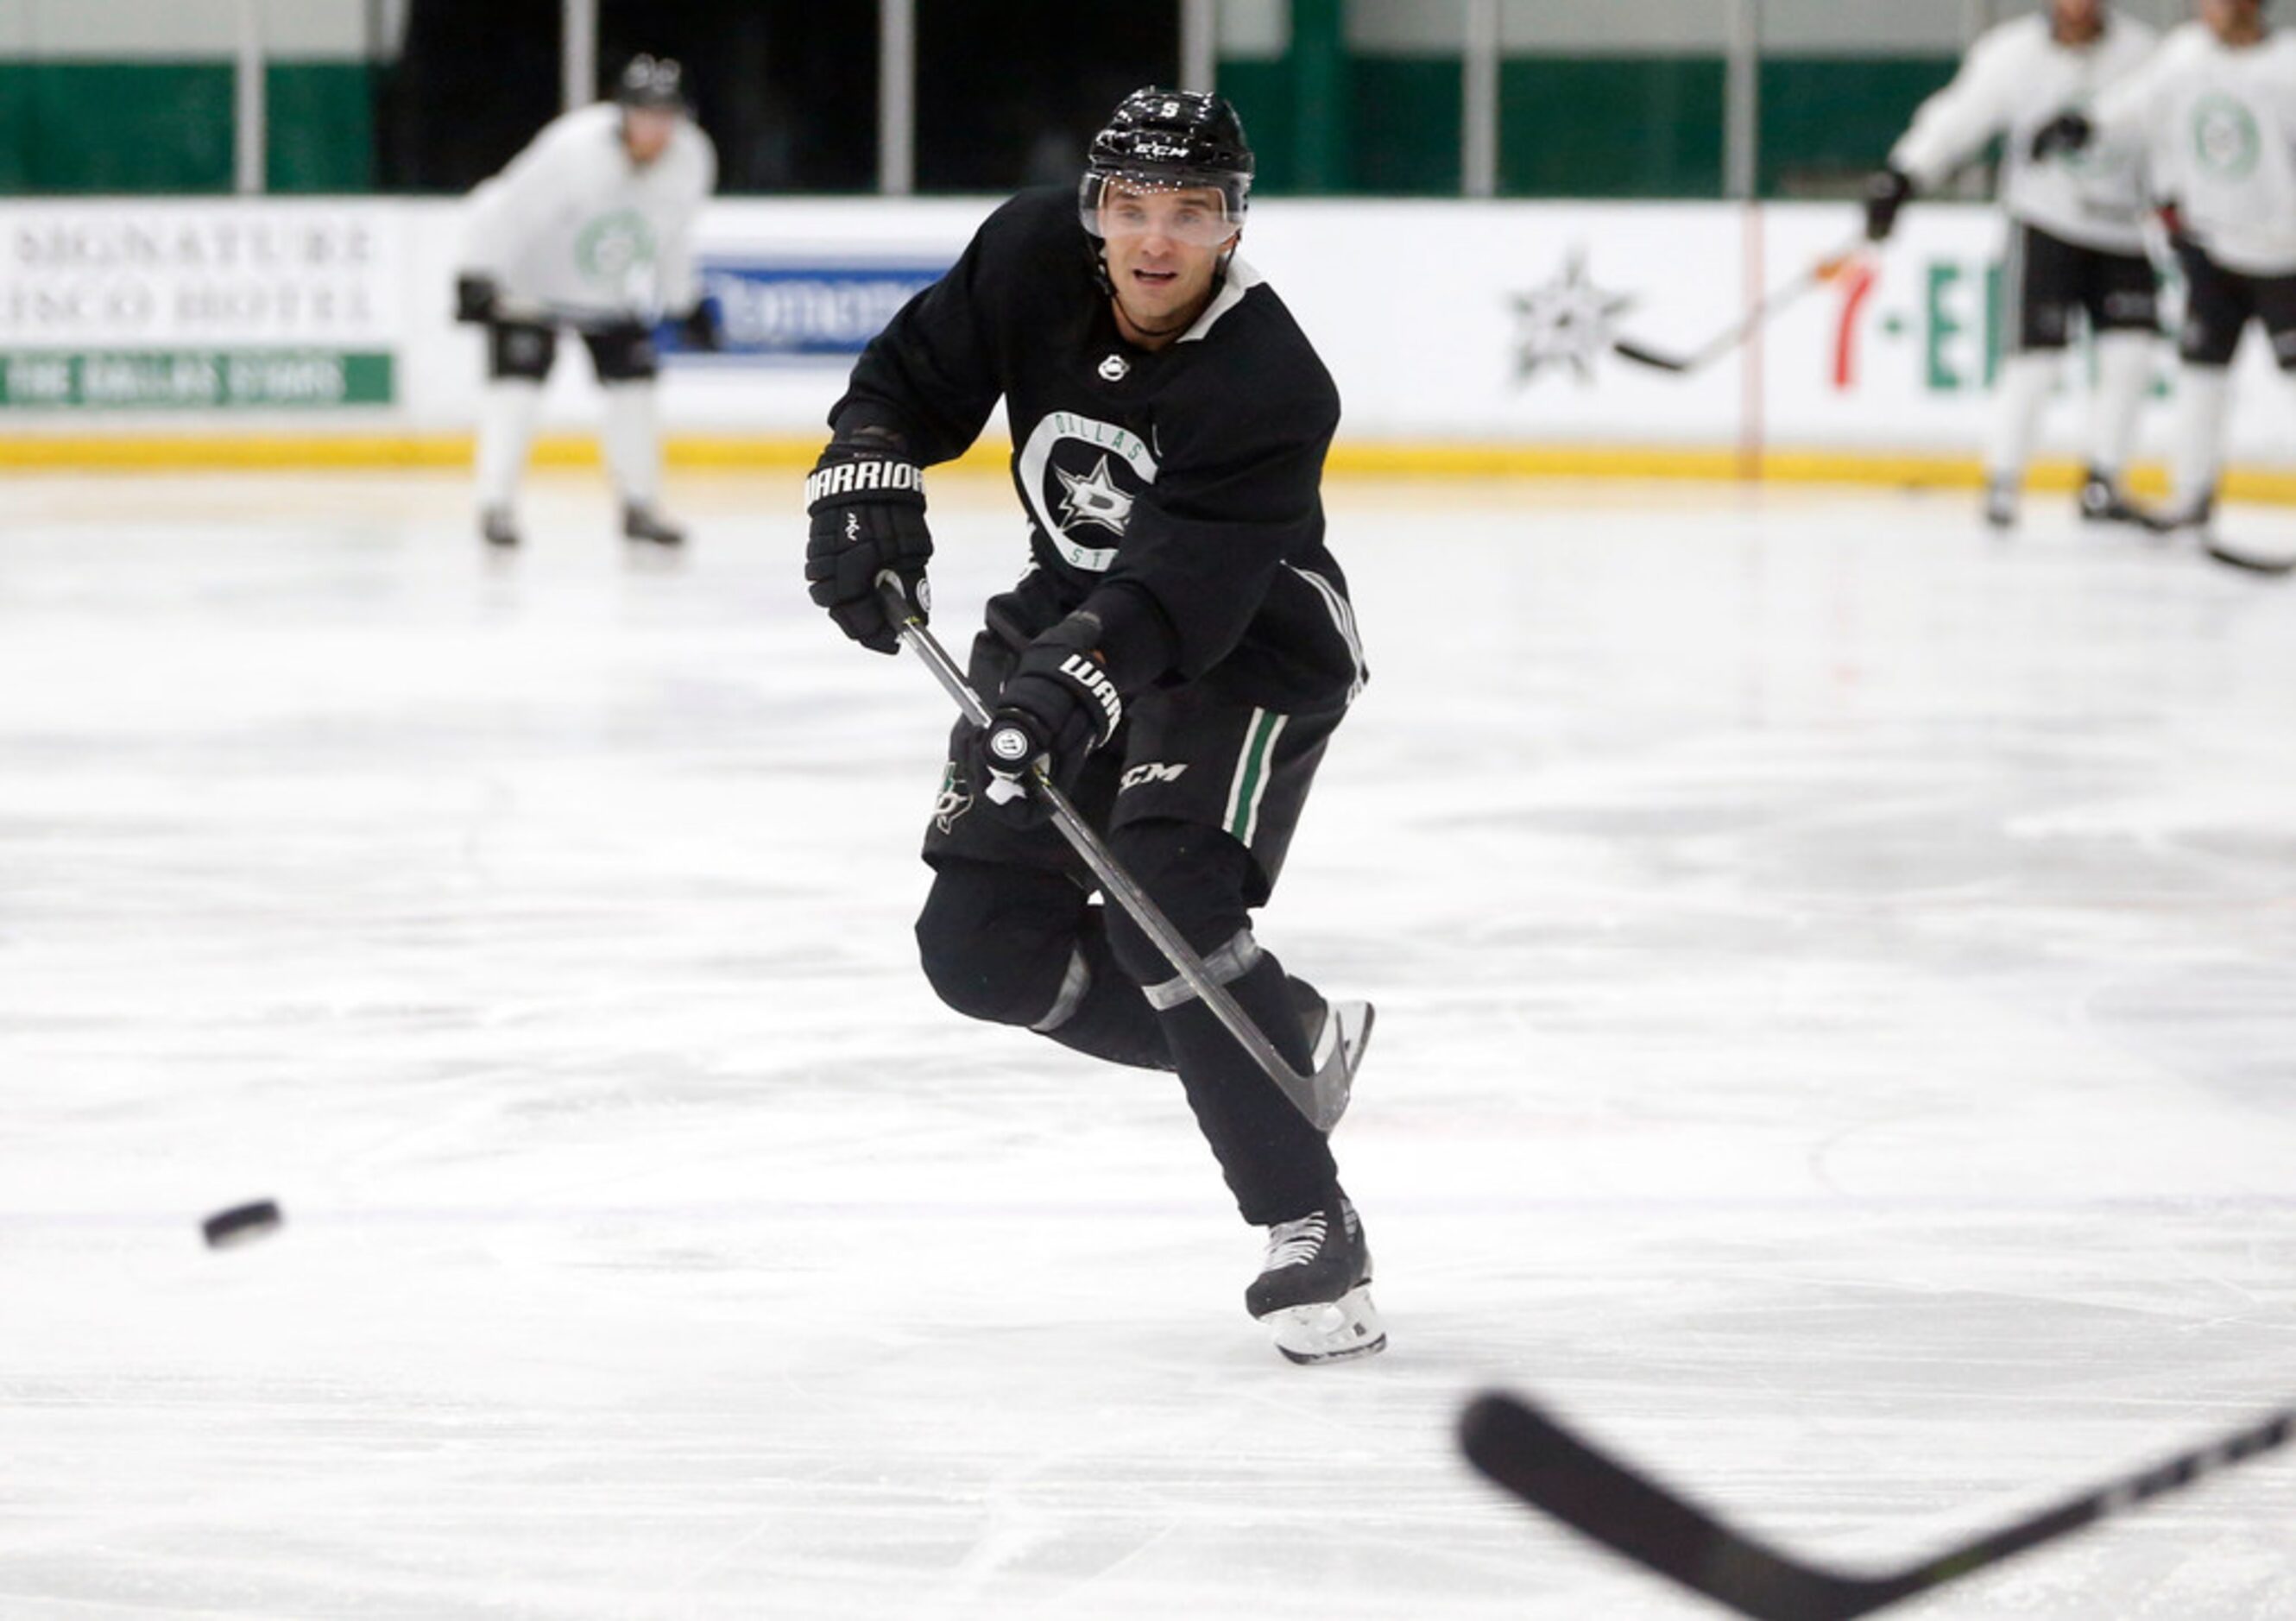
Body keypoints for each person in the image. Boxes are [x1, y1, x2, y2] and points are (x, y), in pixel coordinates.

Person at [802, 88, 1382, 1366]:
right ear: (1092, 211)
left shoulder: (1271, 380)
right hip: (1069, 616)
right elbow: (908, 380)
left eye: (1192, 211)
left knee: (1161, 894)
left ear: (1235, 225)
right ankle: (1271, 1034)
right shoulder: (1026, 257)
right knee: (980, 949)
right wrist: (866, 467)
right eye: (1132, 206)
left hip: (1241, 649)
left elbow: (1180, 589)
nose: (1157, 240)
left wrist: (1071, 682)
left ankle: (1306, 1215)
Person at [1863, 0, 2160, 530]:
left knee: (2131, 356)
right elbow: (1958, 117)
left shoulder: (2143, 53)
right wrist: (1905, 173)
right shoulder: (2014, 53)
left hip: (2123, 228)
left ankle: (2104, 481)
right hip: (2046, 223)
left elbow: (2171, 126)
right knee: (2035, 360)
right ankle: (2003, 479)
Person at [2037, 0, 2296, 560]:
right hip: (2214, 249)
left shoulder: (2288, 67)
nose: (2208, 10)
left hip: (2285, 255)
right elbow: (2140, 98)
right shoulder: (2186, 54)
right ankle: (2191, 498)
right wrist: (2087, 121)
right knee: (2201, 375)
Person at [454, 54, 721, 550]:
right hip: (529, 288)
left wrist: (684, 301)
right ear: (622, 111)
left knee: (636, 390)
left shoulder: (692, 158)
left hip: (608, 295)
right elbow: (505, 204)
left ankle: (640, 505)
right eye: (644, 112)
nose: (655, 126)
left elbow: (675, 236)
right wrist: (478, 271)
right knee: (516, 392)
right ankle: (496, 506)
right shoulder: (573, 147)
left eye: (667, 114)